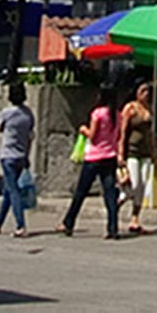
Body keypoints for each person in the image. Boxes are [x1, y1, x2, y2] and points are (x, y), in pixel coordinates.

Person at [59, 88, 124, 238]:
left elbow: (93, 136)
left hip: (94, 158)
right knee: (110, 194)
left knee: (81, 192)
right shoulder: (117, 115)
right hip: (110, 157)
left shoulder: (98, 114)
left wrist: (83, 129)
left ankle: (69, 222)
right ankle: (113, 228)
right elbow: (118, 136)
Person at [0, 81, 36, 235]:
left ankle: (20, 225)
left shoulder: (7, 113)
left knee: (13, 191)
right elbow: (31, 135)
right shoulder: (28, 114)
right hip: (21, 155)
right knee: (8, 190)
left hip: (8, 156)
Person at [120, 80, 157, 219]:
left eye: (147, 91)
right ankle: (119, 201)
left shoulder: (149, 109)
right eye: (143, 91)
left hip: (146, 151)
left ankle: (135, 217)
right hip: (132, 150)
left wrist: (154, 149)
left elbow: (150, 133)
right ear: (136, 92)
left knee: (143, 185)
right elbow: (123, 131)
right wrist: (120, 153)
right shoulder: (130, 108)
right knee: (134, 184)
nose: (146, 94)